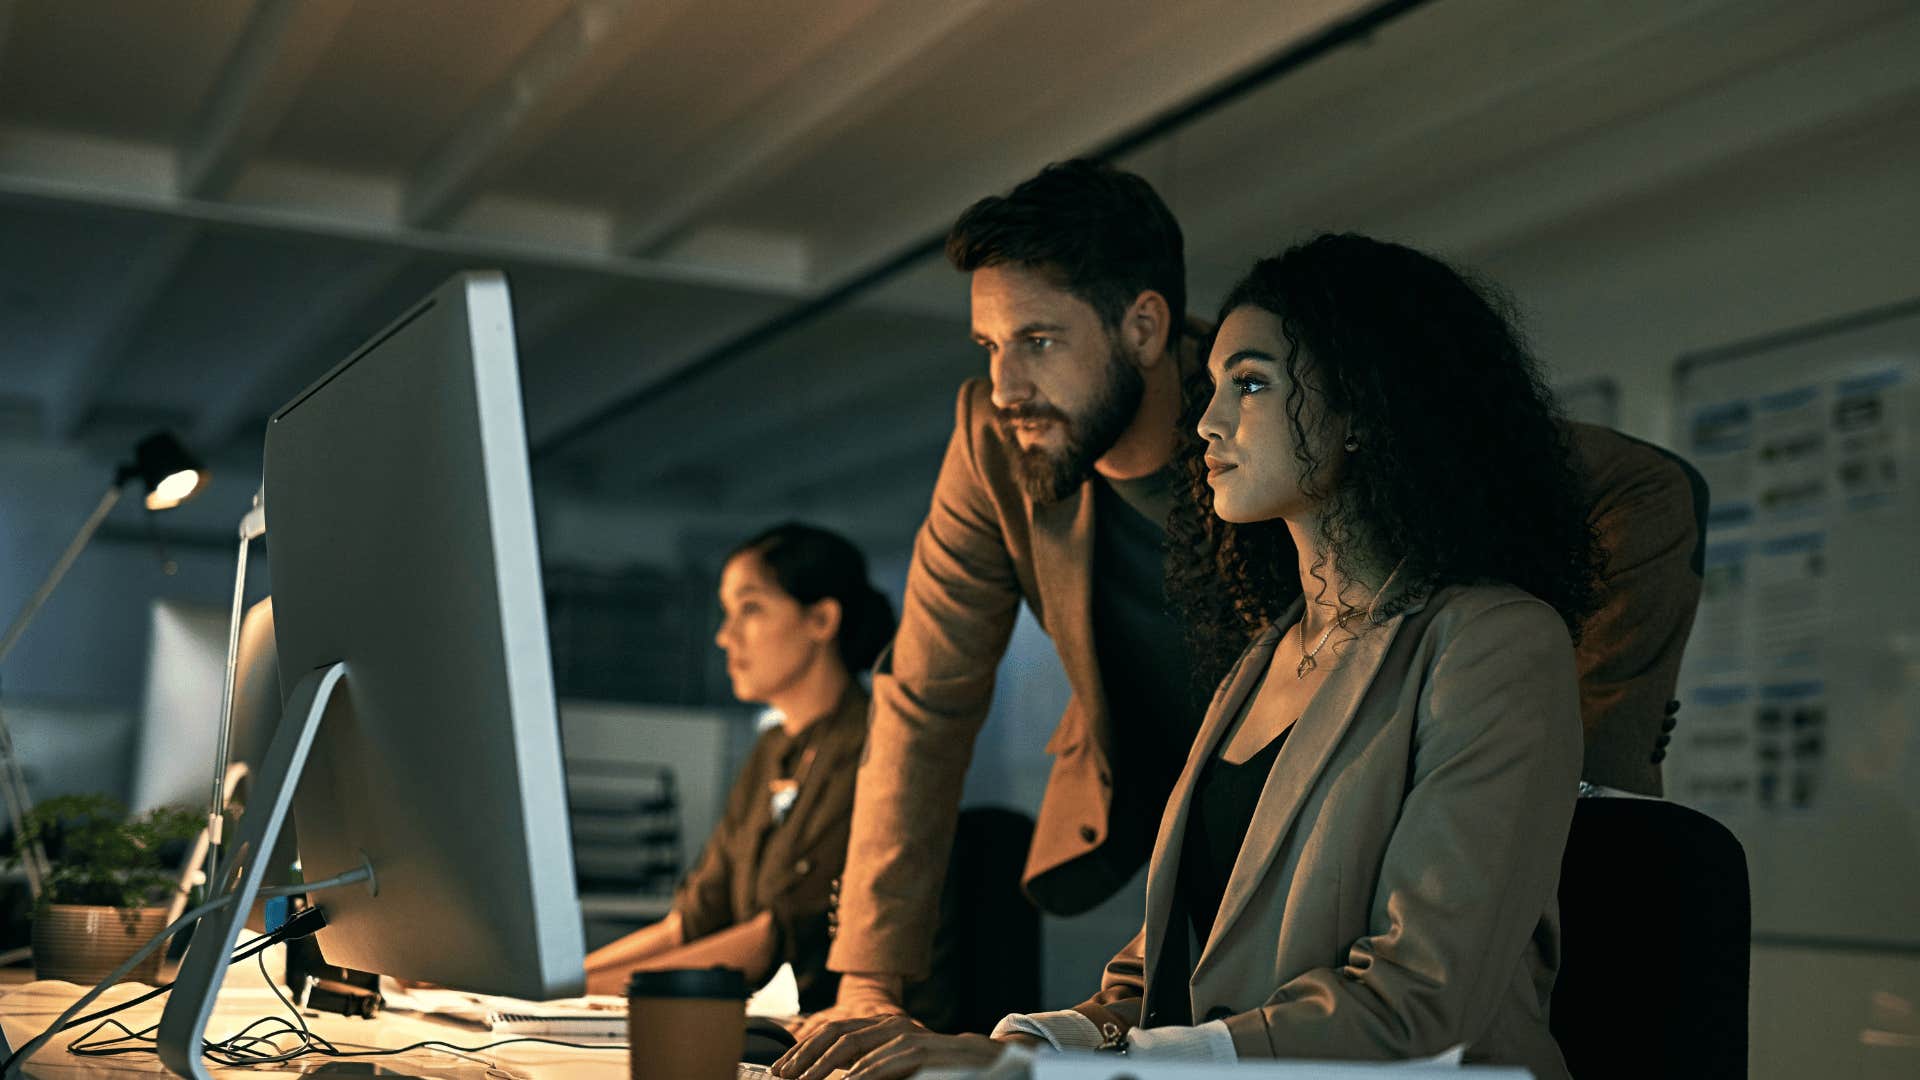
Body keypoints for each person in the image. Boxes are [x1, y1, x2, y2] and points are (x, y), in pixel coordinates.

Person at [776, 234, 1603, 1080]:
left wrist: (1050, 1072)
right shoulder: (1266, 656)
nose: (1205, 423)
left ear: (1365, 407)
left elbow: (1415, 1010)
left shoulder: (1493, 643)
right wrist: (1014, 1046)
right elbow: (1154, 988)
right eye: (1212, 388)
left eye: (1249, 384)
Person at [583, 522, 894, 1012]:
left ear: (821, 620)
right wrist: (555, 984)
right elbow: (688, 922)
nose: (725, 636)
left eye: (750, 609)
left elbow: (772, 938)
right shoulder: (773, 748)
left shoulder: (873, 746)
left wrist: (585, 992)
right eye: (727, 612)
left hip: (821, 1032)